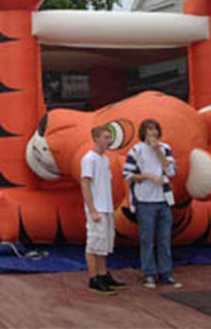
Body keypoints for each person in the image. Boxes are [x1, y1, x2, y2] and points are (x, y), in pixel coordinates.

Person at [123, 119, 182, 289]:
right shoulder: (136, 150)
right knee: (147, 239)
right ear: (144, 132)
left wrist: (158, 151)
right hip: (145, 201)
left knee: (165, 239)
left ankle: (166, 274)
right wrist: (147, 176)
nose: (153, 133)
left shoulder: (165, 148)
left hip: (163, 200)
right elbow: (127, 174)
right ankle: (148, 274)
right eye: (150, 130)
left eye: (155, 129)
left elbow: (171, 171)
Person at [80, 125, 126, 295]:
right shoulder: (89, 159)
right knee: (94, 243)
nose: (109, 141)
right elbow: (85, 183)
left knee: (104, 243)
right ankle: (93, 278)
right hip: (97, 208)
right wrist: (92, 209)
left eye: (109, 138)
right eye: (106, 137)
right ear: (96, 138)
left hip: (106, 207)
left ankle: (103, 273)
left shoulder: (104, 159)